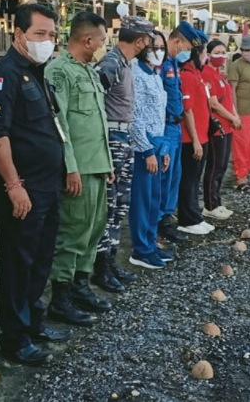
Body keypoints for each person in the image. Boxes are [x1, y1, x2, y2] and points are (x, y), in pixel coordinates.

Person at [0, 3, 70, 366]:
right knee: (18, 263)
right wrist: (13, 185)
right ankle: (14, 339)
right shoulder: (4, 75)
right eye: (39, 34)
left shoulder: (38, 72)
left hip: (47, 187)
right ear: (18, 35)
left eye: (50, 35)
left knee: (41, 259)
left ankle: (33, 322)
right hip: (22, 188)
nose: (46, 41)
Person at [45, 11, 114, 327]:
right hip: (78, 170)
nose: (104, 45)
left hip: (96, 165)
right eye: (102, 39)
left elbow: (96, 123)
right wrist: (70, 168)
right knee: (72, 235)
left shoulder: (88, 70)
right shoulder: (59, 72)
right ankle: (61, 298)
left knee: (93, 229)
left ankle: (80, 286)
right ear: (87, 40)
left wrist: (108, 163)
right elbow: (61, 125)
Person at [92, 15, 154, 293]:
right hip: (111, 139)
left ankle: (111, 261)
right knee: (108, 206)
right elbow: (93, 104)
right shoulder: (111, 63)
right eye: (148, 39)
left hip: (123, 137)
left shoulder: (124, 63)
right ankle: (100, 267)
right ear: (141, 41)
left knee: (120, 205)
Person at [157, 21, 203, 244]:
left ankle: (166, 219)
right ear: (176, 41)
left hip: (175, 125)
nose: (187, 53)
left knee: (174, 178)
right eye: (186, 48)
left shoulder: (173, 63)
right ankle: (158, 224)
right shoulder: (162, 63)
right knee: (163, 178)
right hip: (164, 125)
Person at [128, 30, 170, 269]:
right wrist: (147, 150)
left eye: (162, 47)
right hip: (143, 144)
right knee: (142, 200)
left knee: (155, 199)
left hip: (158, 140)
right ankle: (141, 249)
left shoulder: (154, 74)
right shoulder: (135, 73)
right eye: (154, 47)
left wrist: (162, 148)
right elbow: (135, 116)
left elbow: (157, 113)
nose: (159, 52)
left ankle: (151, 244)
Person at [176, 42, 213, 235]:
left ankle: (195, 215)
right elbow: (187, 110)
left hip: (201, 135)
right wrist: (196, 140)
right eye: (205, 52)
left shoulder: (197, 74)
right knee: (188, 180)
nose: (207, 56)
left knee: (195, 179)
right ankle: (187, 218)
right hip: (190, 139)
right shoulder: (187, 76)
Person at [201, 39, 239, 221]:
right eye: (217, 52)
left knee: (223, 166)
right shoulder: (207, 74)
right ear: (208, 54)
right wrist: (233, 117)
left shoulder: (220, 75)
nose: (221, 56)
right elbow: (213, 103)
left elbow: (228, 100)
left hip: (227, 126)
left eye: (224, 52)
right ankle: (209, 204)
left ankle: (216, 201)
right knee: (215, 166)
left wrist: (234, 116)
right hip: (217, 127)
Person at [227, 34, 250, 191]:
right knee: (241, 146)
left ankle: (246, 173)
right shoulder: (236, 65)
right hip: (242, 112)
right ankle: (240, 177)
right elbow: (232, 91)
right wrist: (234, 113)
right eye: (246, 50)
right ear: (241, 51)